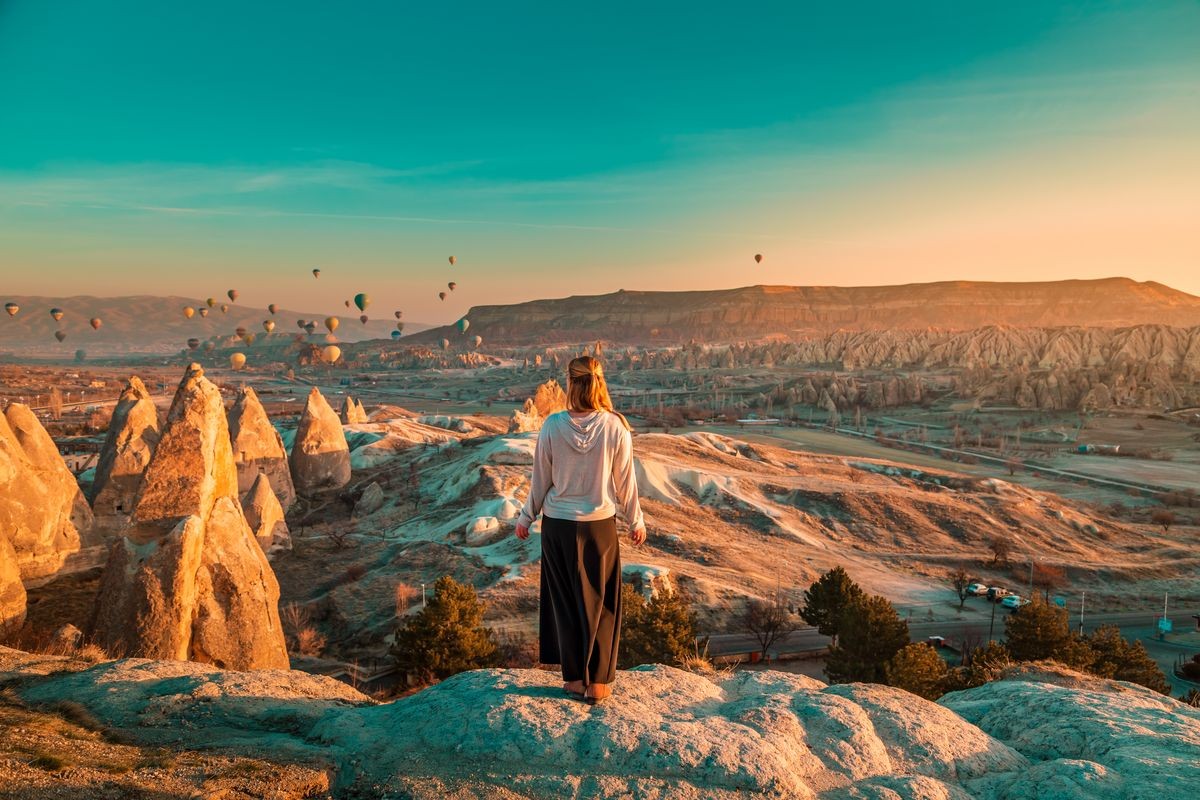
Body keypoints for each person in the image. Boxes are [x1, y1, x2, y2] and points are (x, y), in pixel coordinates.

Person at [514, 355, 646, 705]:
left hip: (557, 526)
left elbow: (540, 479)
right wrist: (636, 520)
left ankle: (574, 679)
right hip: (599, 527)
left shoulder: (552, 425)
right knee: (602, 605)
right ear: (600, 383)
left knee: (565, 603)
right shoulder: (617, 426)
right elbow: (625, 483)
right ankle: (599, 683)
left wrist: (526, 517)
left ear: (570, 384)